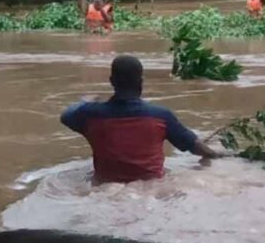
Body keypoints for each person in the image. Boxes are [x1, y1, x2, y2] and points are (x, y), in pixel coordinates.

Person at [60, 55, 224, 183]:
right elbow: (195, 147)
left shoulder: (90, 115)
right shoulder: (161, 116)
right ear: (141, 82)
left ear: (112, 81)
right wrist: (218, 155)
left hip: (105, 186)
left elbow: (66, 116)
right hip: (151, 187)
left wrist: (85, 101)